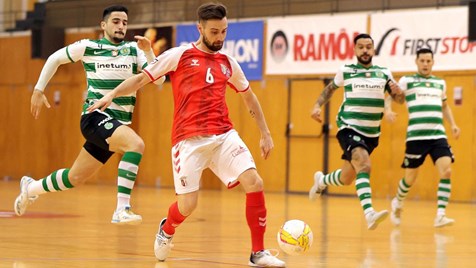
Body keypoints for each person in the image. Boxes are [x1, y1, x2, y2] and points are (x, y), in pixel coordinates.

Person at [87, 2, 285, 267]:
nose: (220, 38)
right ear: (200, 28)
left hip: (223, 135)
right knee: (187, 206)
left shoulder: (228, 63)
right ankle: (167, 228)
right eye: (214, 32)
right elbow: (141, 80)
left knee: (255, 182)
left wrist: (266, 133)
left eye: (224, 31)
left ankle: (258, 253)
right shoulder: (178, 55)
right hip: (188, 140)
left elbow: (249, 97)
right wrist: (111, 94)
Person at [14, 5, 164, 225]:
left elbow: (159, 80)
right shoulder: (89, 46)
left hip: (115, 124)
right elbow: (54, 59)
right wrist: (38, 90)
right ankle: (122, 208)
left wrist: (149, 51)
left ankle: (31, 187)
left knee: (74, 177)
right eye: (115, 21)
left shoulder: (134, 50)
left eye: (124, 22)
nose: (121, 26)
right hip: (95, 117)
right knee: (135, 145)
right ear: (103, 25)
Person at [308, 33, 405, 230]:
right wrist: (317, 106)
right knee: (364, 165)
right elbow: (330, 89)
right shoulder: (346, 71)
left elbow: (399, 100)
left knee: (346, 177)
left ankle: (322, 181)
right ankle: (369, 214)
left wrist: (398, 93)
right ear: (355, 50)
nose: (365, 50)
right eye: (361, 47)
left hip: (372, 134)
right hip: (349, 126)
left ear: (374, 49)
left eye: (369, 47)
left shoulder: (384, 73)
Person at [384, 48, 460, 228]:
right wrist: (387, 111)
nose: (425, 64)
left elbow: (445, 107)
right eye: (422, 61)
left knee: (446, 171)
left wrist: (453, 125)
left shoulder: (440, 83)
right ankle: (398, 202)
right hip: (416, 138)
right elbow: (390, 97)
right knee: (410, 178)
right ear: (416, 62)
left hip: (438, 135)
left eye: (428, 61)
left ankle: (440, 215)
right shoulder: (407, 81)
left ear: (433, 62)